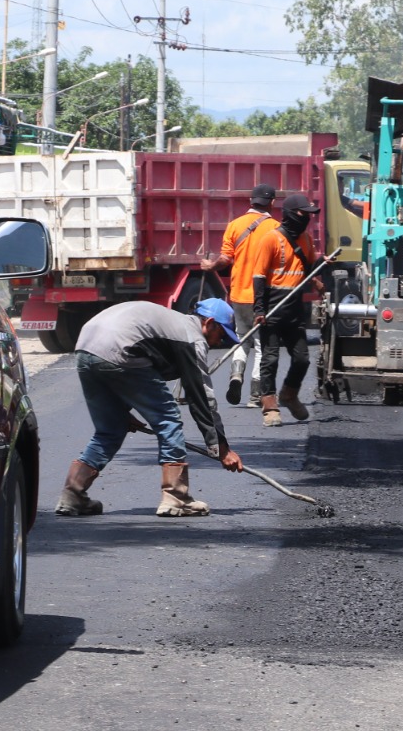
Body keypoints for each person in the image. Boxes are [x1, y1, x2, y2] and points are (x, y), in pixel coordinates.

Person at [55, 298, 244, 518]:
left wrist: (122, 410)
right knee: (168, 419)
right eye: (221, 334)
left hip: (86, 347)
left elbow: (127, 370)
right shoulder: (192, 338)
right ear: (209, 323)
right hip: (121, 348)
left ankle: (72, 494)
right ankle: (176, 497)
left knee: (111, 429)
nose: (219, 342)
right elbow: (201, 396)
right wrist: (221, 447)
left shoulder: (172, 325)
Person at [245, 192, 324, 428]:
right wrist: (259, 310)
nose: (306, 218)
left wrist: (317, 278)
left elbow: (307, 268)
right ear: (290, 214)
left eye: (309, 215)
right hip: (272, 307)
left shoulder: (306, 240)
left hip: (294, 309)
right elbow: (259, 277)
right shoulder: (270, 239)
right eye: (303, 213)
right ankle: (269, 407)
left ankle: (289, 394)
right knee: (270, 359)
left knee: (302, 359)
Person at [201, 183, 277, 406]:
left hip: (238, 295)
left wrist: (211, 266)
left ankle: (236, 376)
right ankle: (255, 395)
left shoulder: (234, 225)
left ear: (250, 202)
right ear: (272, 203)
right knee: (262, 346)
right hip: (261, 297)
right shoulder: (275, 228)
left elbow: (225, 258)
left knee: (241, 339)